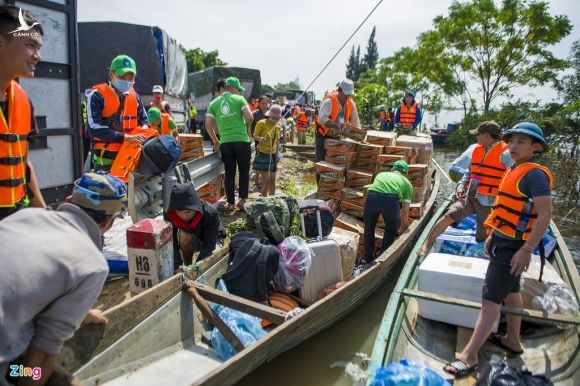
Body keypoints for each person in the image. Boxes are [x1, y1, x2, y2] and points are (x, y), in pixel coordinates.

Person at [443, 122, 553, 377]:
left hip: (515, 245)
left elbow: (545, 215)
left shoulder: (534, 175)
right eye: (511, 141)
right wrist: (492, 235)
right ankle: (513, 339)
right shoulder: (514, 169)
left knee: (490, 301)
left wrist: (526, 249)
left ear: (535, 147)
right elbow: (501, 208)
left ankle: (469, 356)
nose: (513, 146)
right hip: (503, 239)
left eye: (521, 142)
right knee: (512, 292)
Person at [0, 172, 127, 385]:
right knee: (33, 373)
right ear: (109, 221)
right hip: (5, 363)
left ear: (69, 200)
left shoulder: (25, 216)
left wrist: (82, 313)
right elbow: (41, 356)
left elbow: (28, 280)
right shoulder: (92, 264)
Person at [418, 121, 513, 255]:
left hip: (490, 202)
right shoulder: (477, 149)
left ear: (487, 135)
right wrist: (461, 186)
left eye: (478, 134)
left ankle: (484, 256)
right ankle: (426, 244)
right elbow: (469, 172)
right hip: (470, 196)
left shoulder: (506, 153)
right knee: (449, 215)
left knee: (483, 236)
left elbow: (515, 175)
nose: (476, 137)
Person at [0, 5, 46, 221]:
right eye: (30, 46)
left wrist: (44, 217)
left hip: (16, 218)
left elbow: (24, 164)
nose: (38, 56)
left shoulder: (22, 101)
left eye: (39, 48)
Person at [87, 54, 149, 173]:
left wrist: (143, 130)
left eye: (131, 78)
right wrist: (126, 137)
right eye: (122, 76)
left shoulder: (135, 97)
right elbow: (93, 128)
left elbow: (144, 120)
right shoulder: (97, 95)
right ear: (111, 74)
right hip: (105, 165)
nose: (127, 81)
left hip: (131, 161)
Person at [205, 77, 253, 213]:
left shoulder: (214, 103)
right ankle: (242, 202)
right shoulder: (239, 100)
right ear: (232, 88)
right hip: (242, 141)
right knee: (243, 172)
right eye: (238, 89)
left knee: (230, 173)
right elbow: (250, 118)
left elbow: (208, 125)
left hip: (225, 143)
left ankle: (230, 203)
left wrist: (216, 140)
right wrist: (245, 127)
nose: (239, 92)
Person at [362, 160, 413, 263]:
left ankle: (368, 259)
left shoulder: (381, 174)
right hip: (390, 200)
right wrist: (402, 228)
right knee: (390, 230)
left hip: (371, 197)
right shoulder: (407, 183)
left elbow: (376, 189)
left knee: (369, 229)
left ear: (392, 169)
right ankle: (382, 260)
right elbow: (405, 210)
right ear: (406, 173)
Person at [166, 183, 225, 269]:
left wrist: (197, 267)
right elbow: (172, 244)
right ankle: (187, 266)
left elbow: (209, 245)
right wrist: (177, 266)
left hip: (213, 240)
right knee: (184, 236)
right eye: (178, 212)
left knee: (212, 259)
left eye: (188, 212)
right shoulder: (171, 214)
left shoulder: (210, 212)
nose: (184, 217)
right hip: (194, 239)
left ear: (195, 207)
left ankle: (195, 270)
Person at [316, 79, 360, 181]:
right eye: (345, 94)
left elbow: (355, 123)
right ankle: (320, 187)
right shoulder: (329, 101)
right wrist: (335, 125)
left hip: (339, 136)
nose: (347, 97)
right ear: (339, 91)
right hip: (323, 135)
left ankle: (333, 184)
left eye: (349, 95)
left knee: (337, 162)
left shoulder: (351, 104)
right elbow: (321, 118)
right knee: (321, 162)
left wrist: (359, 135)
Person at [253, 105, 282, 197]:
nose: (275, 119)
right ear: (269, 115)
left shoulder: (278, 125)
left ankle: (272, 199)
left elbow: (277, 141)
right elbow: (254, 136)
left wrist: (277, 154)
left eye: (277, 117)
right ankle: (264, 200)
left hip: (273, 155)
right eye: (273, 117)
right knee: (266, 180)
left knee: (273, 180)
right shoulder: (262, 123)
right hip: (263, 154)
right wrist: (260, 138)